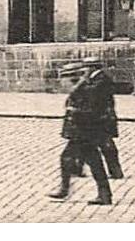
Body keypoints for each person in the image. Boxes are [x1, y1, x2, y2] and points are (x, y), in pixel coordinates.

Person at [49, 61, 113, 205]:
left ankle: (65, 190)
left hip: (85, 129)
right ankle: (104, 194)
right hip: (84, 129)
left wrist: (74, 111)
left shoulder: (95, 84)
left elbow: (93, 108)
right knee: (93, 161)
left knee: (68, 158)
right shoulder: (88, 84)